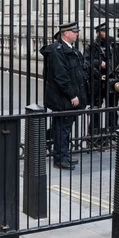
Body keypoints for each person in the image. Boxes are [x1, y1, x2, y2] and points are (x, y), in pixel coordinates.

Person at [40, 21, 88, 170]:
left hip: (68, 97)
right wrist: (72, 95)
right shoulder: (58, 50)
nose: (77, 33)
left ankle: (64, 155)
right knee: (62, 128)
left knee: (64, 128)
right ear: (66, 33)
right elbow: (62, 77)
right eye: (74, 31)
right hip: (63, 98)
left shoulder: (71, 50)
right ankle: (60, 158)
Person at [84, 22, 119, 143]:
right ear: (98, 32)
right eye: (103, 31)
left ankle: (112, 133)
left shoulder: (115, 44)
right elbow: (86, 63)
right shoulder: (92, 46)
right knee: (96, 109)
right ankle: (95, 135)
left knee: (112, 108)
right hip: (98, 82)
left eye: (107, 30)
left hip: (112, 81)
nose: (106, 33)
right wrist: (98, 65)